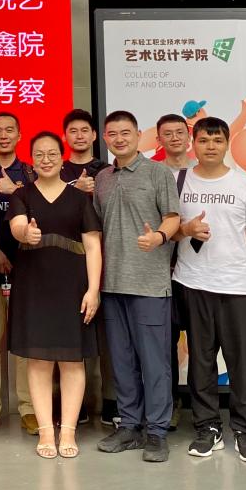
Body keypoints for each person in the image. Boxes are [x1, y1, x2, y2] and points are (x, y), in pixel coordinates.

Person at [173, 117, 246, 463]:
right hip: (192, 282)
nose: (210, 146)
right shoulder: (179, 181)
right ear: (194, 144)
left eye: (217, 140)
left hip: (237, 286)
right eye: (203, 140)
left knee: (242, 362)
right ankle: (207, 428)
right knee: (201, 361)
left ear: (227, 144)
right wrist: (186, 229)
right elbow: (169, 230)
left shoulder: (245, 185)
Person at [94, 110, 181, 463]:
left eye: (125, 133)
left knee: (155, 362)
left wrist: (158, 236)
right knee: (122, 360)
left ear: (138, 134)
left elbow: (173, 218)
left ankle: (157, 431)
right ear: (105, 138)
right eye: (112, 134)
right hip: (111, 284)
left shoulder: (158, 173)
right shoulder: (102, 178)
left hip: (149, 284)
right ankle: (129, 426)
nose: (119, 139)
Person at [8, 131, 102, 458]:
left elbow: (93, 245)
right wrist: (26, 233)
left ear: (62, 159)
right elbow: (17, 227)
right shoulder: (22, 195)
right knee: (38, 361)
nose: (45, 159)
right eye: (39, 154)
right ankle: (46, 431)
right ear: (31, 161)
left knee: (72, 361)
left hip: (73, 287)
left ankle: (69, 431)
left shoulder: (79, 199)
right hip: (33, 286)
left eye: (51, 154)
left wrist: (93, 289)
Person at [0, 112, 36, 435]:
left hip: (26, 269)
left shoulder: (30, 172)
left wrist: (15, 190)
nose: (3, 135)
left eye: (9, 130)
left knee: (24, 343)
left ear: (19, 135)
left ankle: (29, 408)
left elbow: (41, 213)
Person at [59, 108, 113, 427]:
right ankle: (74, 405)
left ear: (94, 136)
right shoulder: (56, 169)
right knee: (70, 336)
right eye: (73, 131)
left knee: (109, 338)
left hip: (105, 260)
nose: (79, 136)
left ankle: (112, 402)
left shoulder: (108, 170)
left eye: (84, 131)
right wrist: (74, 192)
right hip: (68, 262)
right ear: (65, 136)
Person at [156, 113, 197, 432]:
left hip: (199, 267)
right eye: (167, 133)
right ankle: (169, 403)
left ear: (189, 136)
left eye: (179, 132)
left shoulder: (203, 172)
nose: (174, 138)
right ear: (158, 140)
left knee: (202, 341)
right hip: (161, 267)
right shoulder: (153, 173)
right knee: (165, 341)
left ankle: (203, 408)